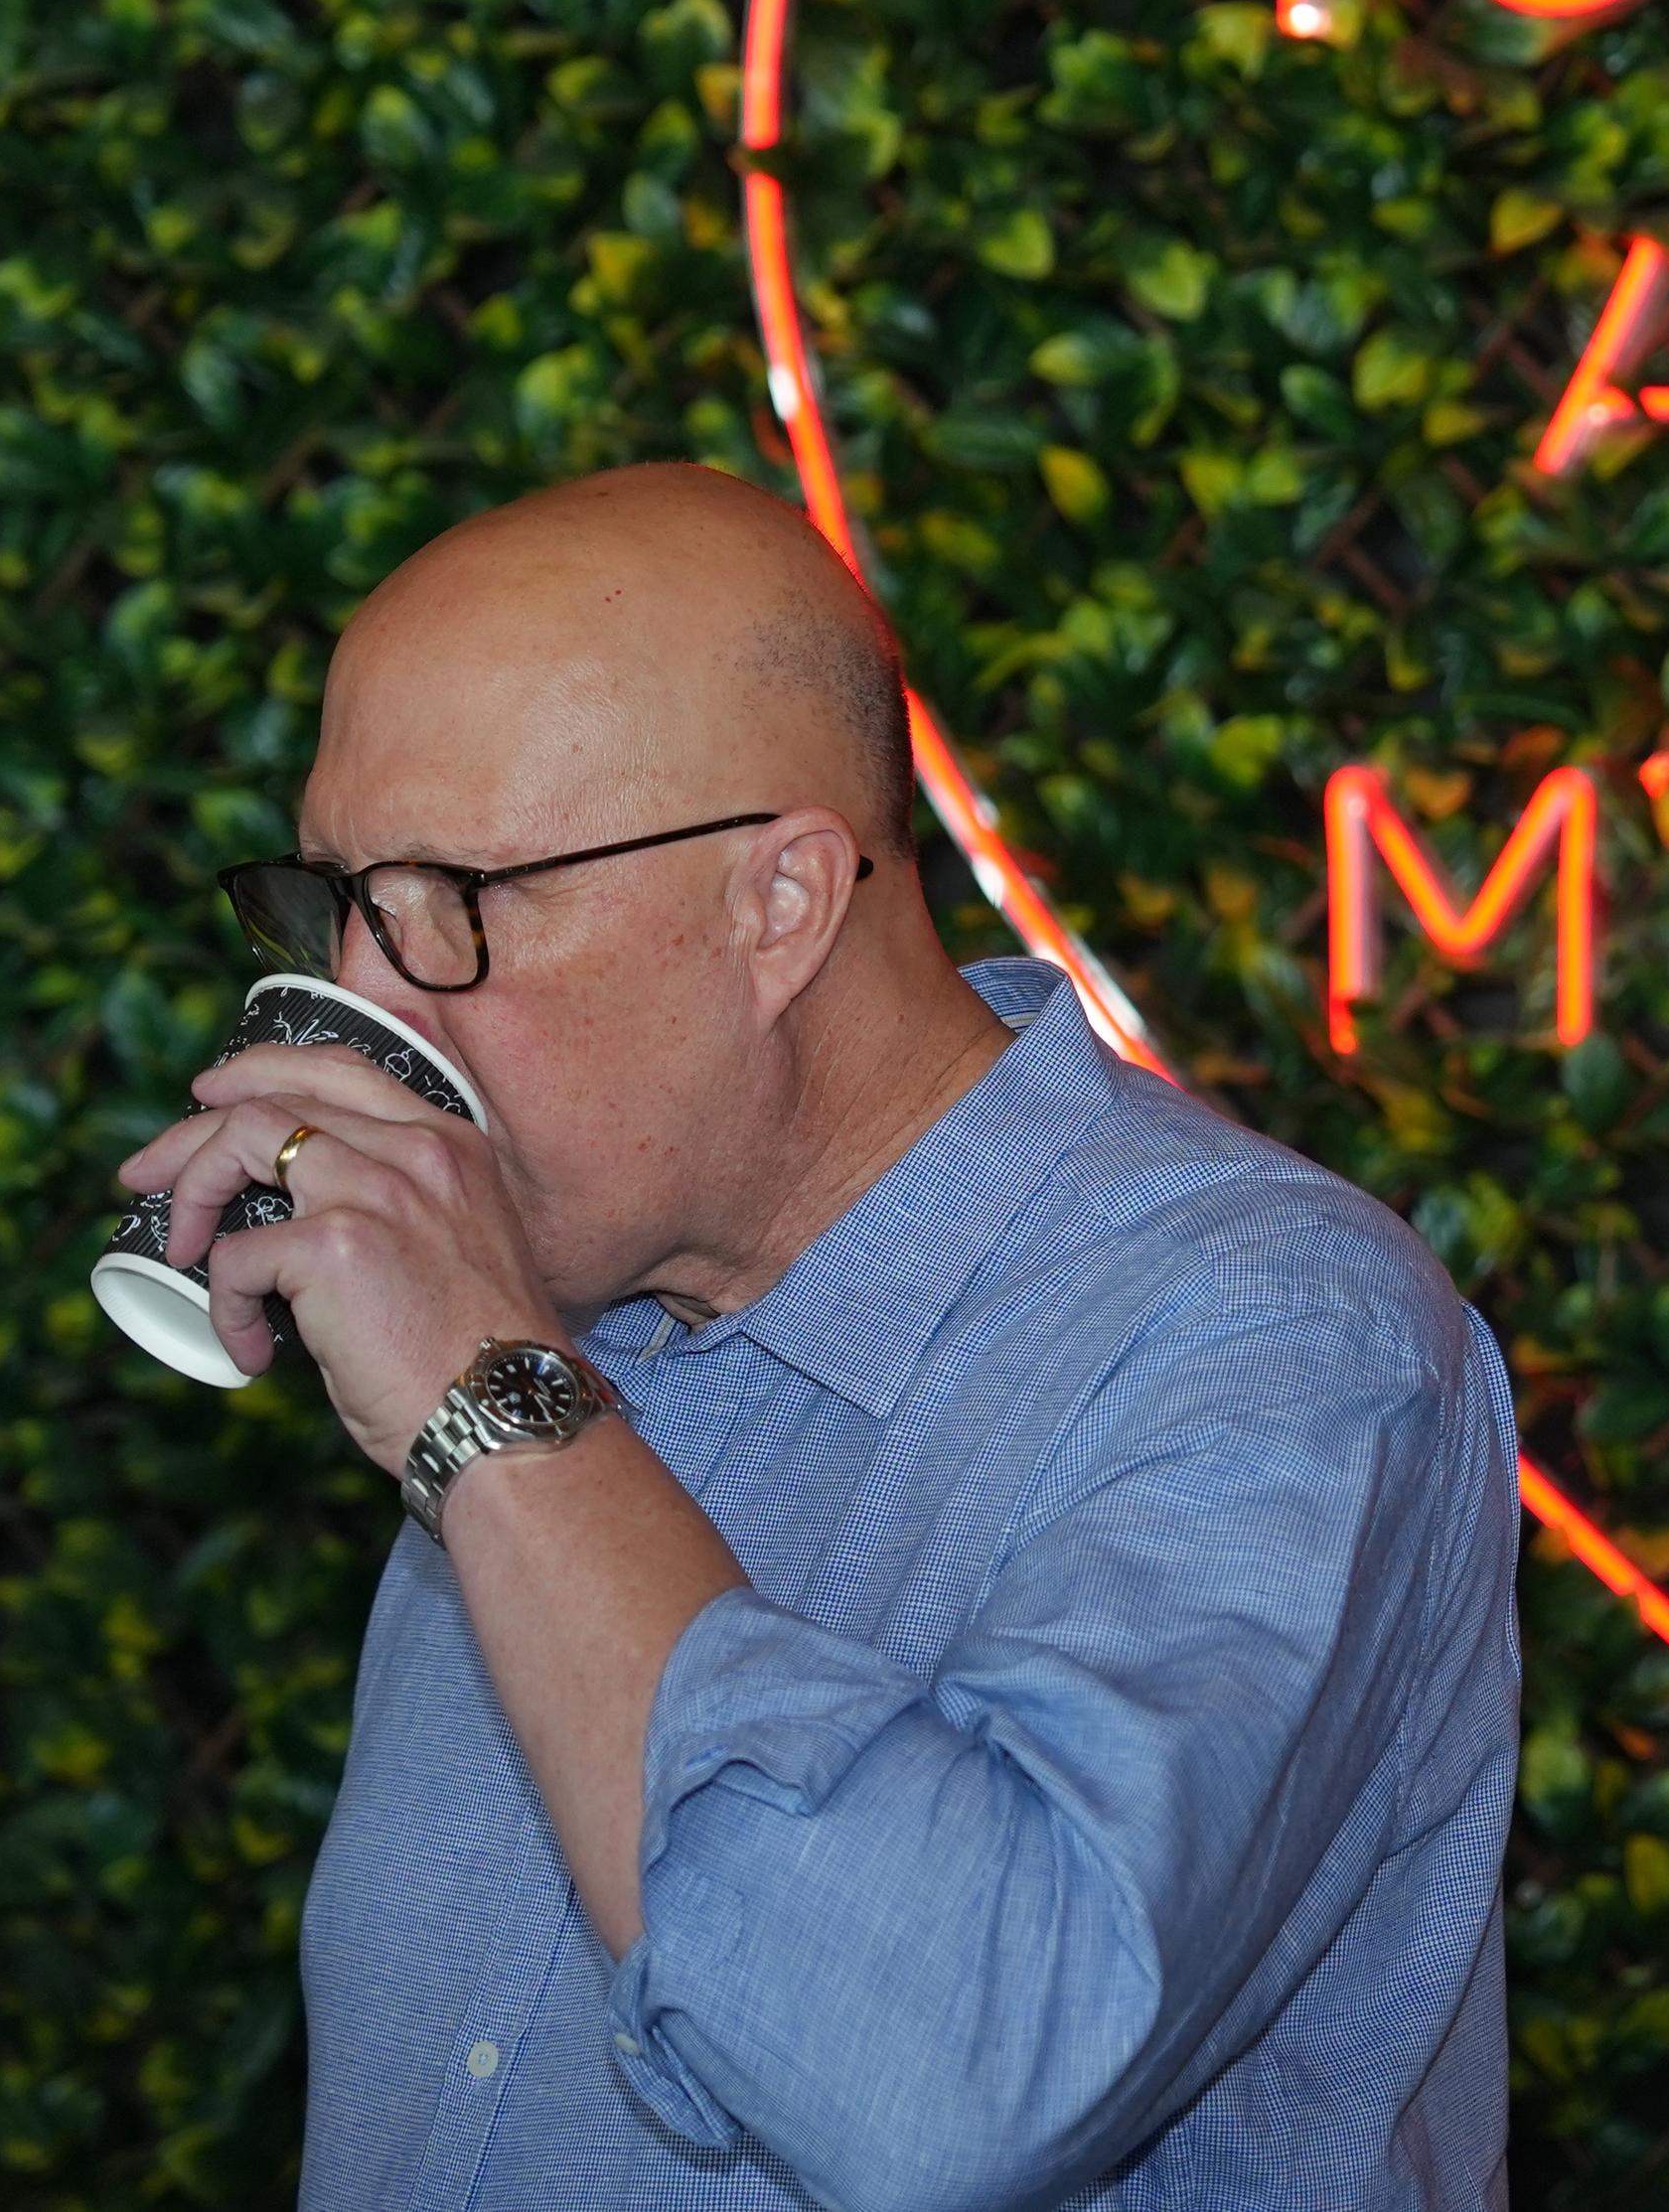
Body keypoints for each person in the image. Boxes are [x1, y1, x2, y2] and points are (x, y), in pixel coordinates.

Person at [120, 463, 1517, 2208]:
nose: (364, 999)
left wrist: (493, 1407)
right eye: (338, 899)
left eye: (448, 899)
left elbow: (953, 2085)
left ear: (779, 901)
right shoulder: (554, 1302)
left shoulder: (1270, 1332)